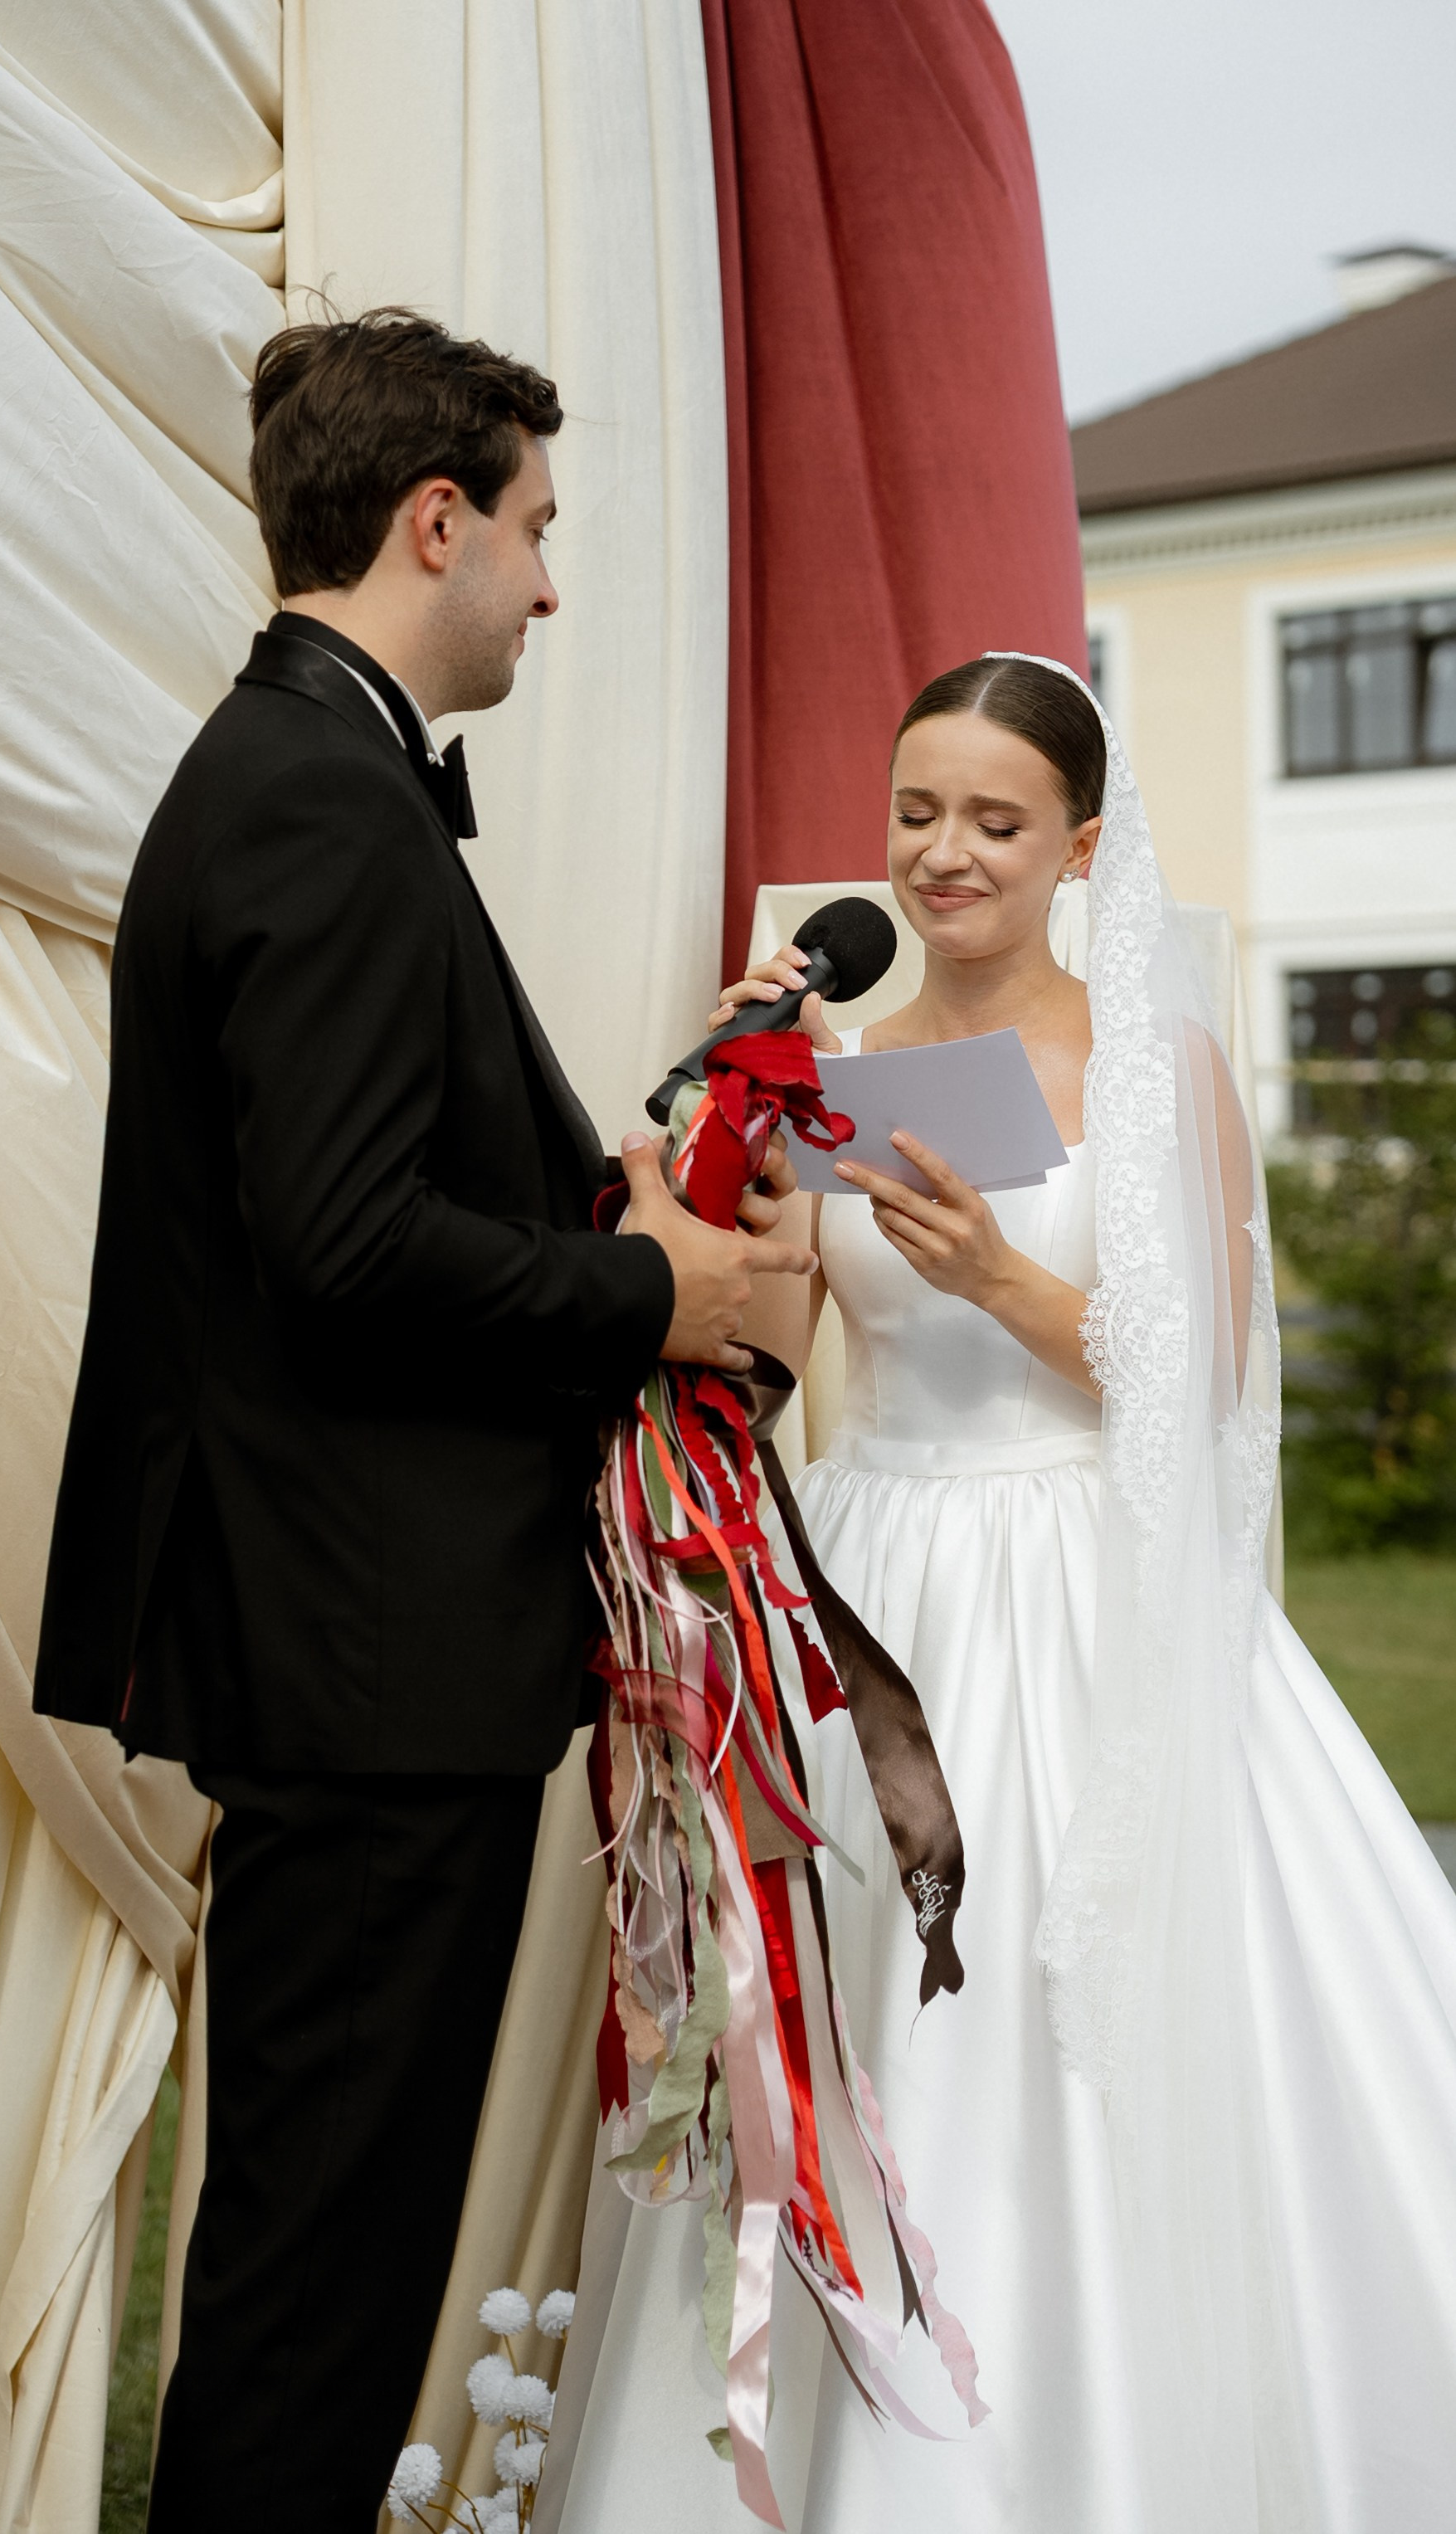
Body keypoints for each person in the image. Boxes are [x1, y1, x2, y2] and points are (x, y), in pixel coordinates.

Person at [31, 307, 813, 2533]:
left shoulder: (300, 774)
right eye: (537, 531)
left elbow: (366, 1187)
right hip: (370, 1656)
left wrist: (613, 1191)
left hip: (346, 1642)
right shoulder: (318, 799)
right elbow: (349, 1250)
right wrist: (661, 1289)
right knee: (319, 2285)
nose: (551, 587)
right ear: (433, 518)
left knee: (316, 2263)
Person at [551, 655, 1456, 2534]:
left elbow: (1200, 1381)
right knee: (855, 2012)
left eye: (991, 821)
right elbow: (777, 1339)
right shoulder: (839, 1065)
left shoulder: (1152, 1069)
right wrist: (732, 1158)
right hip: (875, 1580)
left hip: (1080, 1578)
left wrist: (996, 1282)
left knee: (1071, 2014)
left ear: (1079, 849)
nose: (940, 854)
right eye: (913, 813)